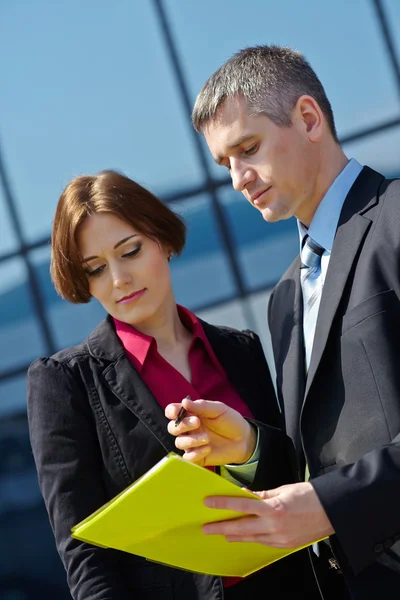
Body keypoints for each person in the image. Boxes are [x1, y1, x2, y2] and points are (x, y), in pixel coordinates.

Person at [166, 45, 400, 599]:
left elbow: (331, 494)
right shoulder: (285, 298)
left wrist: (331, 504)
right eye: (224, 164)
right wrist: (249, 448)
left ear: (309, 118)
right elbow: (319, 466)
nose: (238, 180)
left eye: (247, 149)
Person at [26, 170, 320, 600]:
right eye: (95, 270)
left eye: (129, 251)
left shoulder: (240, 348)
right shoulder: (64, 383)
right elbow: (86, 556)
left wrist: (250, 450)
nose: (118, 279)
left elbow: (293, 473)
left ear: (161, 239)